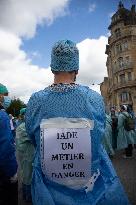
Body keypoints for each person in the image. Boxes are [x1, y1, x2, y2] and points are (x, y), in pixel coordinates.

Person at [25, 40, 130, 205]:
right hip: (91, 186)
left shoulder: (36, 101)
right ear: (77, 69)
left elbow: (33, 138)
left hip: (49, 189)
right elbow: (99, 134)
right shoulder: (94, 99)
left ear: (52, 67)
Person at [0, 83, 18, 205]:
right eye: (5, 95)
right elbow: (5, 149)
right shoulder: (2, 116)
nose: (7, 98)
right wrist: (12, 172)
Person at [16, 108, 35, 203]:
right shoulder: (24, 127)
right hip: (27, 155)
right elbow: (35, 136)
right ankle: (28, 197)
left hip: (26, 154)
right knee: (28, 176)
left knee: (27, 174)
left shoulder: (23, 125)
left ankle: (26, 195)